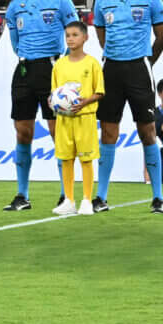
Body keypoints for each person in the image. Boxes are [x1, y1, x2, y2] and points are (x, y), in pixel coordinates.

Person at [90, 0, 163, 209]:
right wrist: (116, 56)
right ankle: (101, 196)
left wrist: (146, 62)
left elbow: (161, 37)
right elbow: (101, 36)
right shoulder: (103, 1)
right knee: (108, 132)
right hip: (111, 69)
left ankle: (157, 196)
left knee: (147, 131)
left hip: (139, 69)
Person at [2, 0, 81, 214]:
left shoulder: (61, 2)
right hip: (24, 69)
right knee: (22, 132)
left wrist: (69, 69)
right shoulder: (16, 6)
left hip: (52, 68)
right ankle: (22, 195)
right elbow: (14, 41)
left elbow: (75, 35)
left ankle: (65, 194)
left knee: (57, 132)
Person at [51, 19, 107, 215]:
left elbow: (99, 92)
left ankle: (86, 200)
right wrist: (56, 103)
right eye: (68, 35)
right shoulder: (59, 64)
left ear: (85, 38)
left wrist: (84, 102)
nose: (71, 39)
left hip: (85, 118)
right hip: (64, 120)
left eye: (75, 35)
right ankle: (68, 200)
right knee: (66, 159)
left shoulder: (92, 64)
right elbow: (54, 93)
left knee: (86, 159)